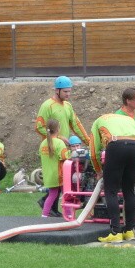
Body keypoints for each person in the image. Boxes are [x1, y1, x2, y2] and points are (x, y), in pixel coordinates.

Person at [35, 75, 89, 214]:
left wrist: (88, 141)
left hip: (64, 147)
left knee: (64, 179)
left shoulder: (68, 106)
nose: (68, 94)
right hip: (52, 148)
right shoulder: (47, 105)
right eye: (66, 91)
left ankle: (51, 207)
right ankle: (50, 208)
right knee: (56, 178)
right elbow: (39, 126)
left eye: (70, 91)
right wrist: (57, 137)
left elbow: (76, 124)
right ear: (57, 90)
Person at [91, 111, 135, 243]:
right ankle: (129, 230)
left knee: (111, 190)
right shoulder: (128, 119)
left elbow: (93, 152)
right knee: (129, 189)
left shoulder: (98, 121)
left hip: (116, 145)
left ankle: (115, 232)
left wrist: (98, 171)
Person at [38, 119, 69, 218]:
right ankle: (68, 215)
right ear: (58, 129)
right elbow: (65, 157)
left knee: (52, 195)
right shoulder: (59, 143)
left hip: (48, 175)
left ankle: (44, 215)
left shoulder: (43, 143)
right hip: (60, 174)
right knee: (66, 195)